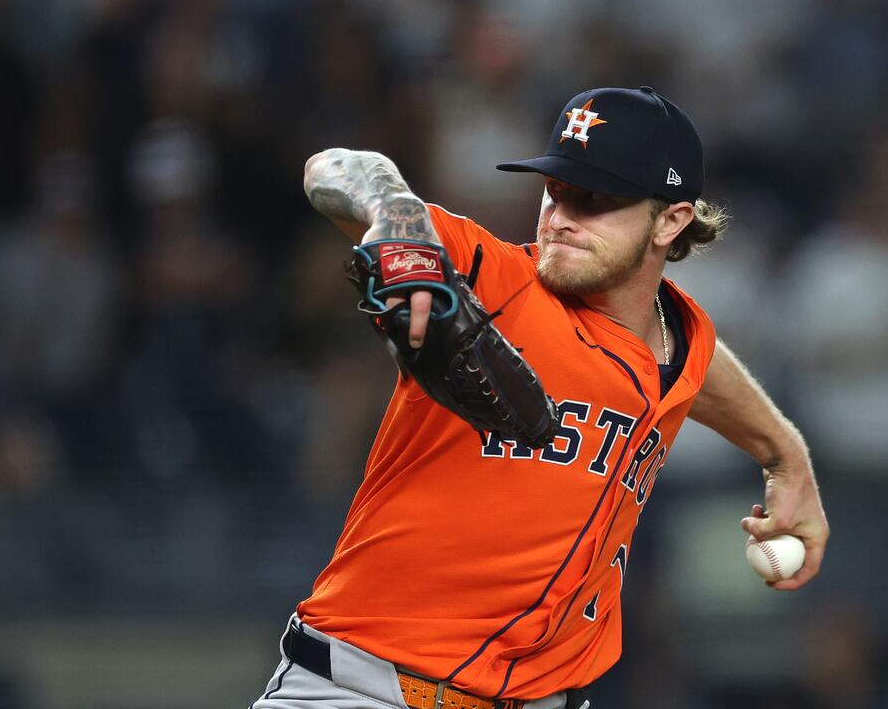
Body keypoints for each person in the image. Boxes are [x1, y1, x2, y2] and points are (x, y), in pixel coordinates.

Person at [255, 86, 829, 709]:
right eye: (555, 191)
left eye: (597, 200)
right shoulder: (493, 278)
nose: (561, 216)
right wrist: (398, 216)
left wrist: (785, 455)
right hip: (364, 689)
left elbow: (695, 367)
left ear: (671, 220)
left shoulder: (681, 339)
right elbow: (338, 169)